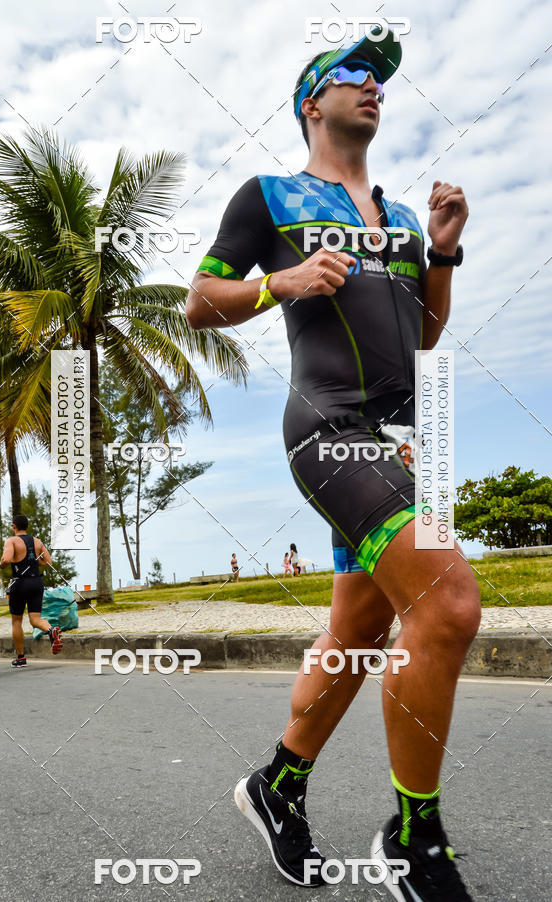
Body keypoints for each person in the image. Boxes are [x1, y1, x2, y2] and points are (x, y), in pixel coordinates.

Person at [186, 27, 477, 901]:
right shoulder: (268, 197)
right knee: (450, 603)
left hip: (396, 443)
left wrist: (445, 251)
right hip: (327, 430)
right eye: (357, 74)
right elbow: (200, 302)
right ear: (314, 101)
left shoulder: (395, 220)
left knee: (358, 632)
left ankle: (276, 786)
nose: (375, 87)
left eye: (384, 80)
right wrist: (281, 281)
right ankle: (413, 837)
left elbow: (420, 338)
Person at [0, 514, 63, 665]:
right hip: (36, 582)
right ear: (27, 526)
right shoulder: (37, 541)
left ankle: (21, 657)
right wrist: (34, 562)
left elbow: (7, 559)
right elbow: (48, 562)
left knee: (16, 621)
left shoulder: (11, 541)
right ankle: (50, 630)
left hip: (19, 583)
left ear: (14, 526)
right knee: (35, 619)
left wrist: (2, 564)